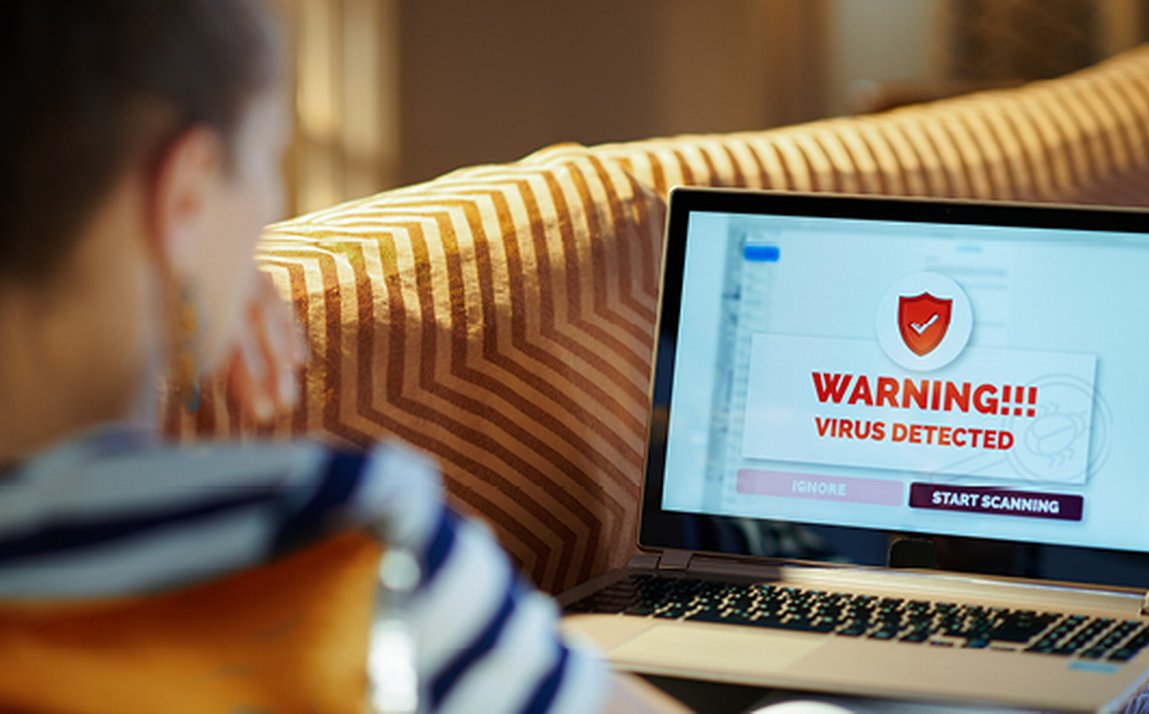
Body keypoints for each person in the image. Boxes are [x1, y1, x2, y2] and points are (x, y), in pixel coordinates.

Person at [0, 2, 677, 712]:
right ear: (187, 195)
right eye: (266, 159)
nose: (269, 214)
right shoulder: (331, 541)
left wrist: (187, 272)